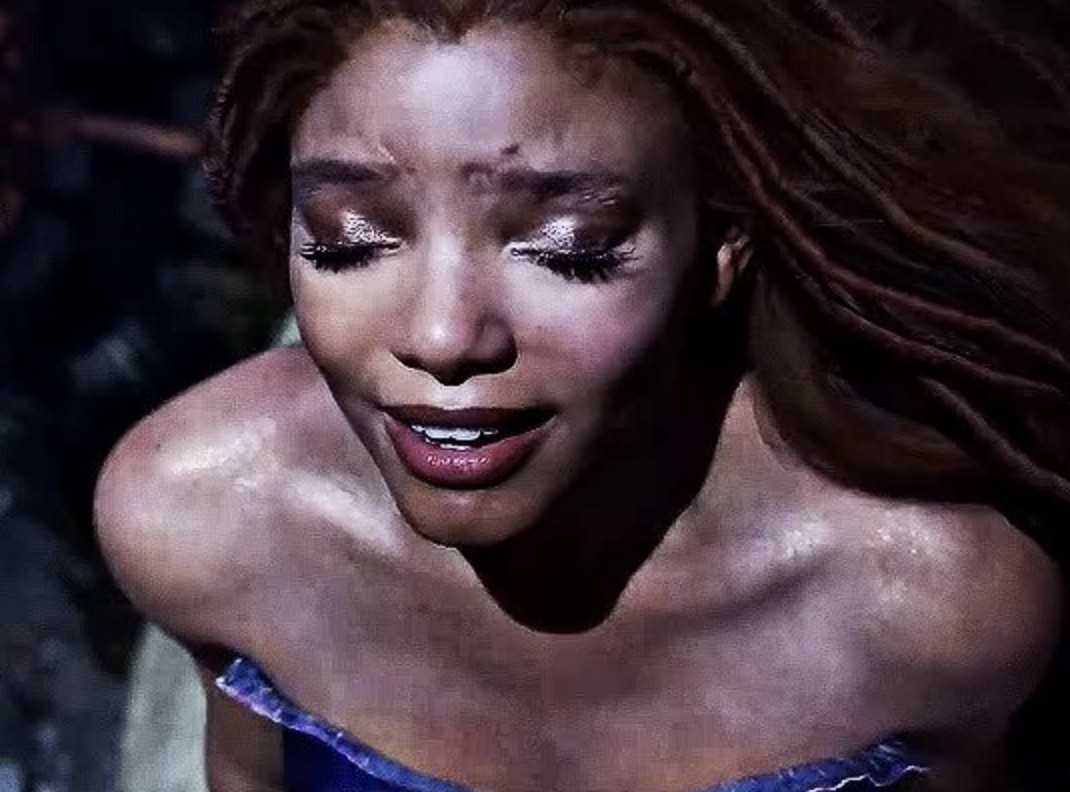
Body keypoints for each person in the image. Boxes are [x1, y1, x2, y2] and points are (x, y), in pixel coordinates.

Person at [94, 1, 1070, 790]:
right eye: (351, 239)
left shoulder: (930, 606)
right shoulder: (202, 516)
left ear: (720, 243)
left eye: (568, 251)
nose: (442, 336)